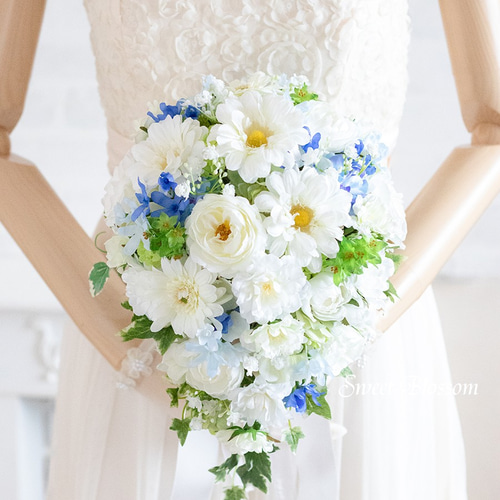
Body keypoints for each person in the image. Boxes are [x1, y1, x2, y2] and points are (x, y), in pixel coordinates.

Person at [45, 1, 471, 499]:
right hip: (140, 320)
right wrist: (129, 350)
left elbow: (493, 125)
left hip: (355, 312)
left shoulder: (351, 319)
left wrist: (344, 326)